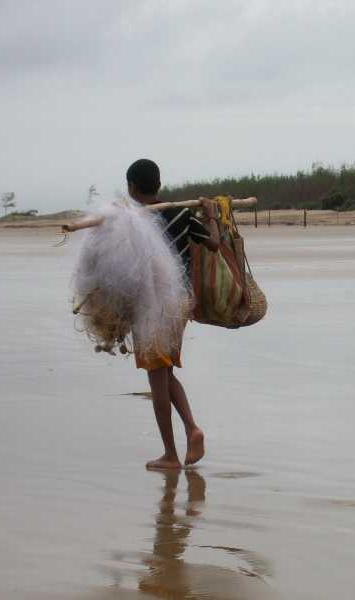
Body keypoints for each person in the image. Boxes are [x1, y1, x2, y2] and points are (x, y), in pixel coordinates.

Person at [125, 158, 220, 470]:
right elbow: (214, 243)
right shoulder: (181, 212)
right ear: (159, 185)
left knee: (157, 380)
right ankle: (192, 429)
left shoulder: (135, 220)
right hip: (180, 304)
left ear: (132, 187)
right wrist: (211, 216)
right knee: (165, 372)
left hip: (152, 306)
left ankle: (170, 454)